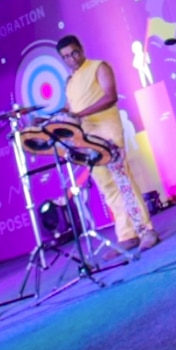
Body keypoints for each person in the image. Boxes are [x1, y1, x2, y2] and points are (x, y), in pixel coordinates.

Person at [56, 34, 157, 250]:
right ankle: (127, 235)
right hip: (86, 137)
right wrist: (52, 117)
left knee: (122, 180)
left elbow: (110, 97)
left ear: (81, 49)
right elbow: (70, 107)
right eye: (66, 57)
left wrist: (79, 114)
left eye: (74, 53)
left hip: (107, 131)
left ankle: (146, 230)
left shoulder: (99, 67)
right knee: (107, 186)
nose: (72, 59)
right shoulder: (70, 82)